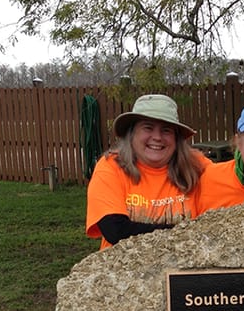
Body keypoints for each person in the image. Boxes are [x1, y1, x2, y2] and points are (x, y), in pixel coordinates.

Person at [86, 94, 209, 249]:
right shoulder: (110, 166)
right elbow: (115, 230)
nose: (157, 137)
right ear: (131, 134)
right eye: (148, 128)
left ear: (176, 138)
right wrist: (188, 234)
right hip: (123, 269)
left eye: (166, 130)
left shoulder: (198, 166)